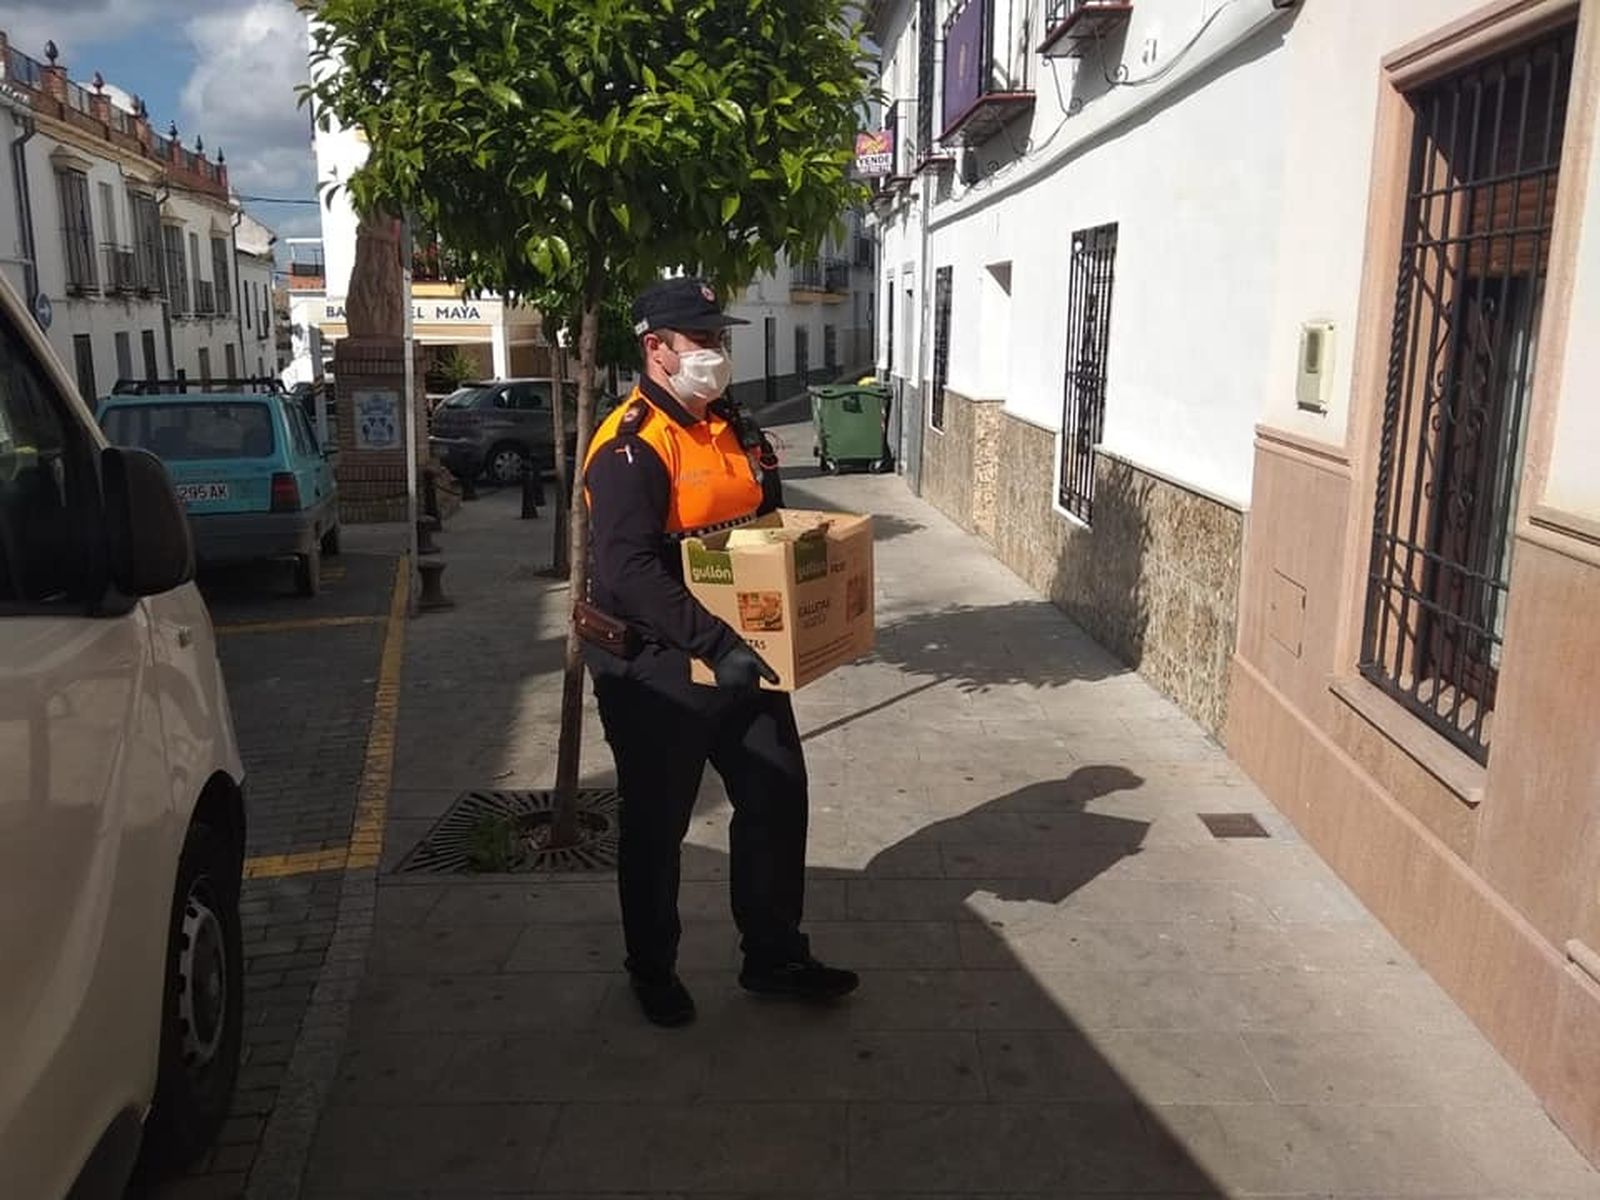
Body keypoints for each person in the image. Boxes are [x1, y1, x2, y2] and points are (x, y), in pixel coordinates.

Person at [579, 276, 858, 1027]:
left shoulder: (726, 423)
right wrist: (715, 644)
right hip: (655, 665)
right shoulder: (632, 444)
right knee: (657, 825)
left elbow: (762, 521)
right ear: (655, 350)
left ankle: (772, 953)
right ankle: (652, 967)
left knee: (775, 793)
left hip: (744, 648)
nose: (716, 353)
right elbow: (629, 573)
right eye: (701, 341)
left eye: (719, 339)